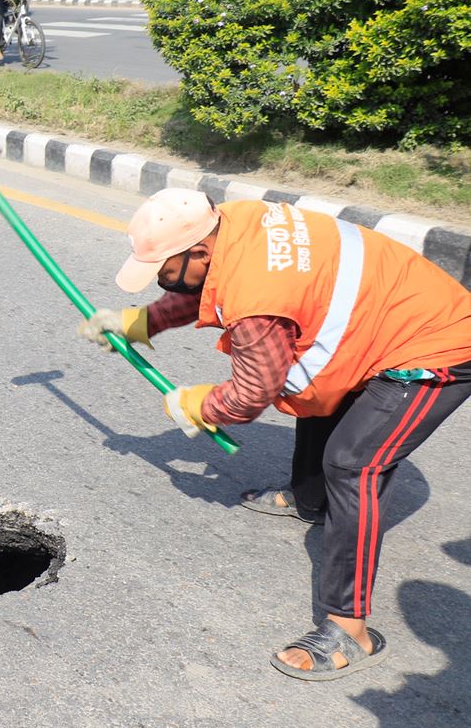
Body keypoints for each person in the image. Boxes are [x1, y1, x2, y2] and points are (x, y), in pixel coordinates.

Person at [78, 188, 471, 680]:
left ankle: (350, 629)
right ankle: (311, 500)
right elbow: (211, 288)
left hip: (439, 345)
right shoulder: (236, 223)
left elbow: (250, 393)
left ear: (199, 249)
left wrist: (198, 404)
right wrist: (142, 322)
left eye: (163, 267)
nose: (160, 277)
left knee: (354, 462)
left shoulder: (256, 297)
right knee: (318, 379)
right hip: (380, 319)